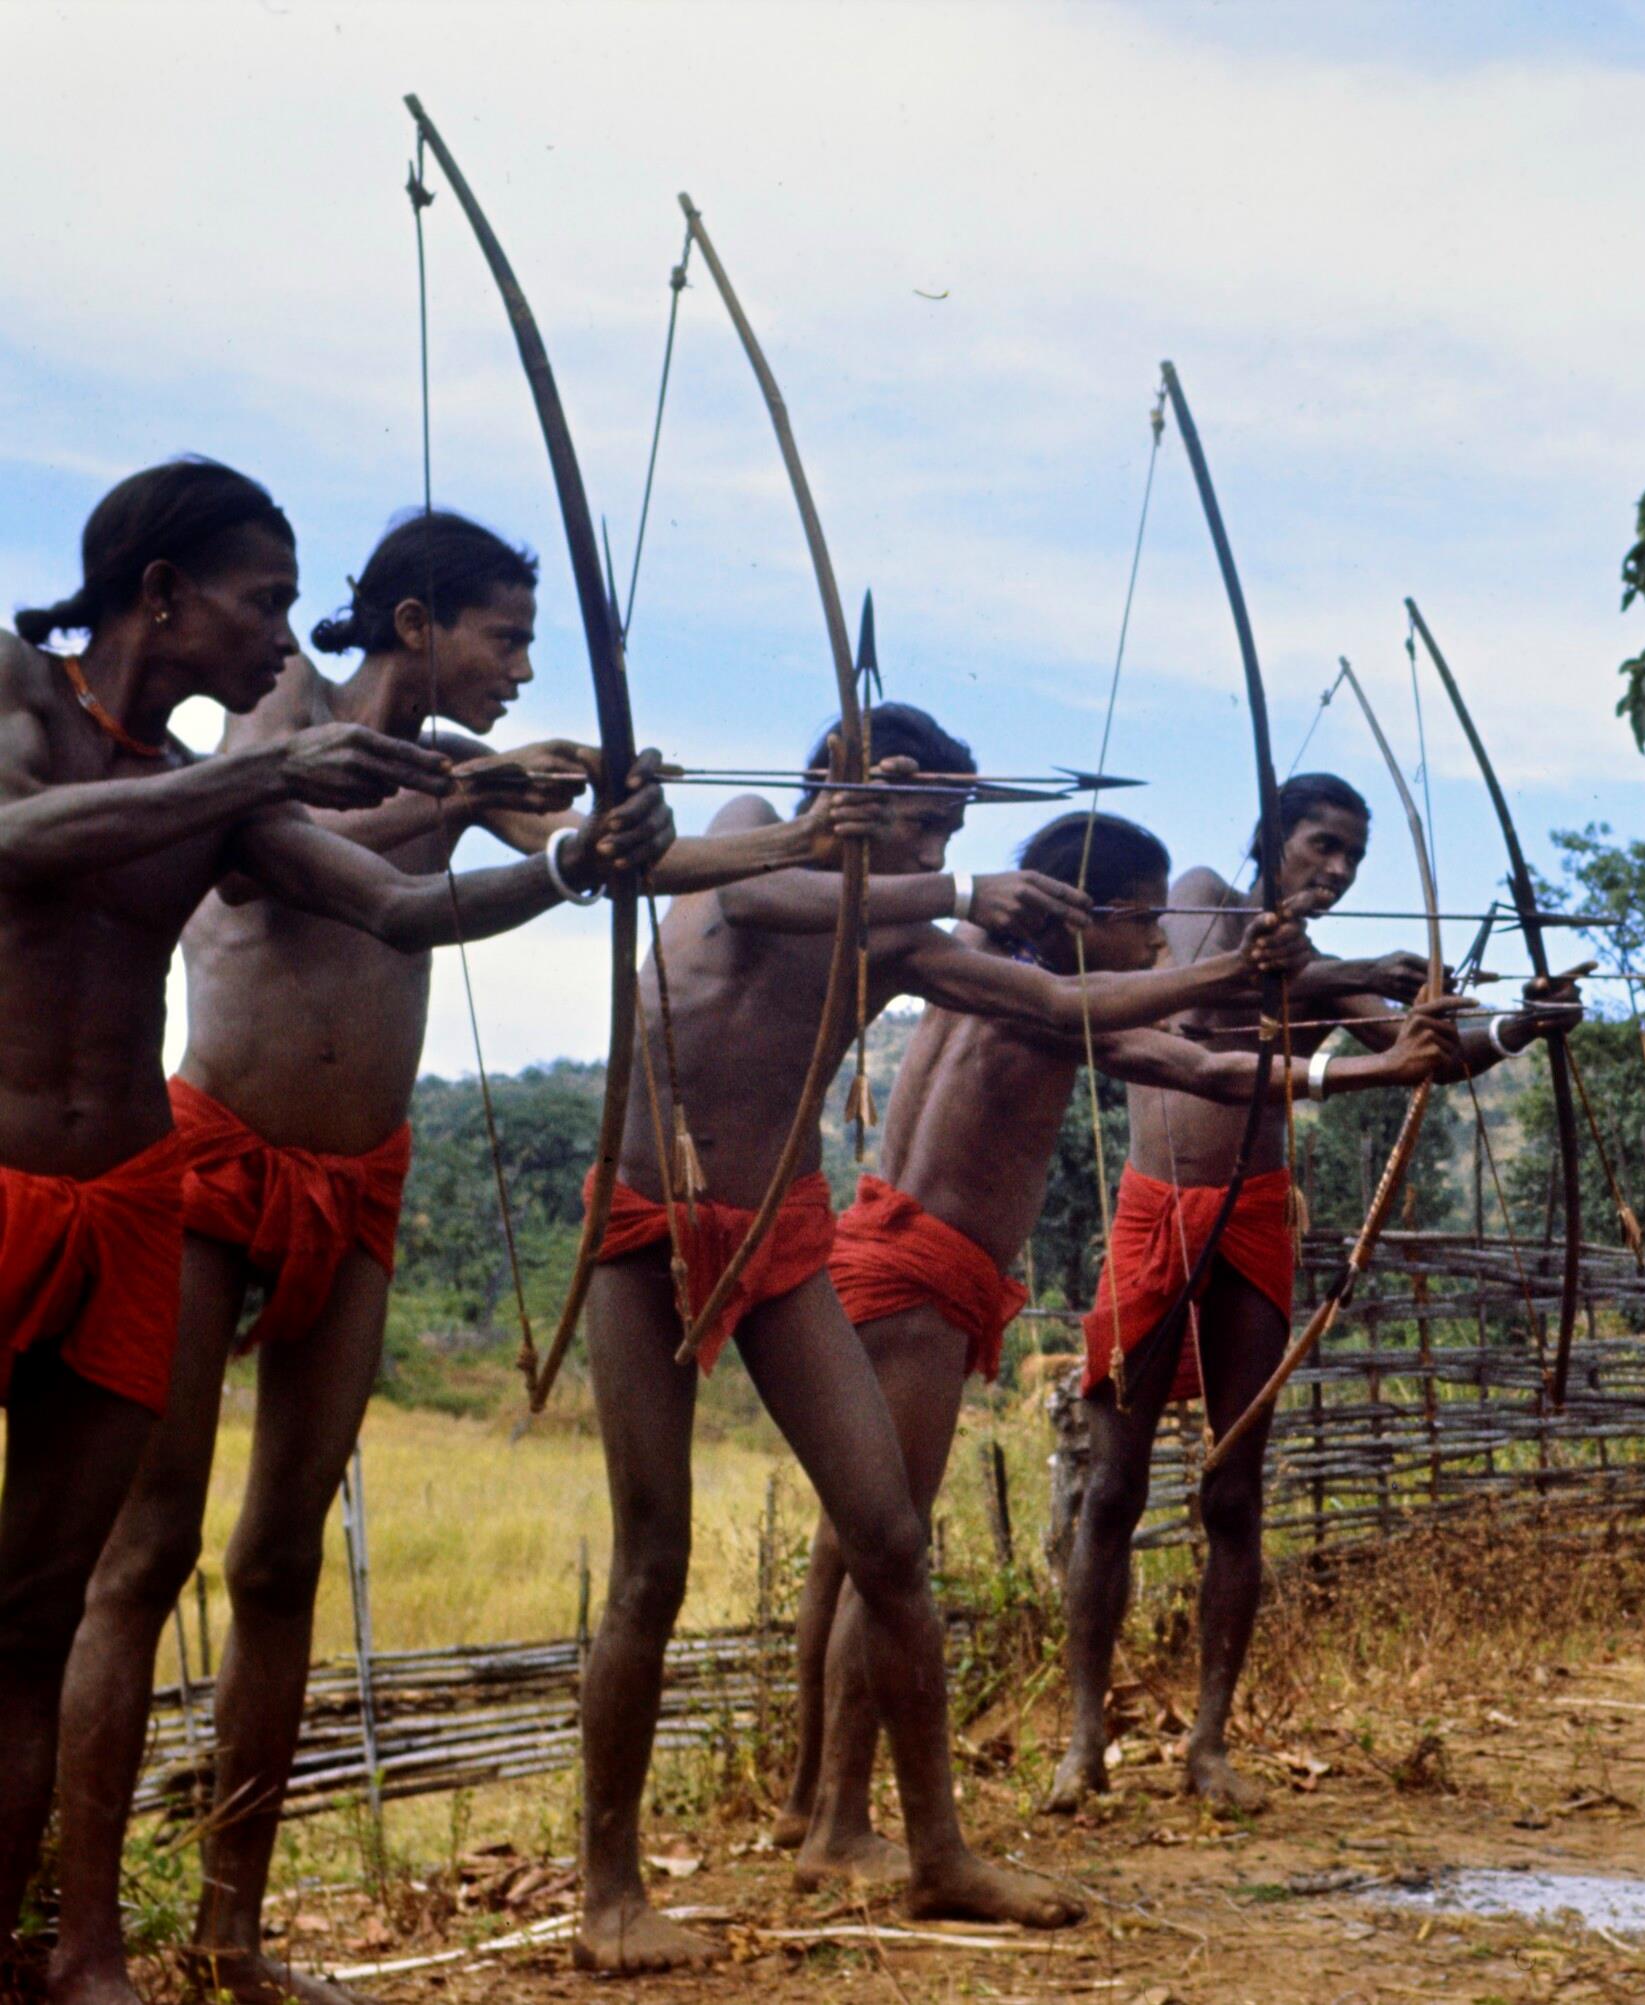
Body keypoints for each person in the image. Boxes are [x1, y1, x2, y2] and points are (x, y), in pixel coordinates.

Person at [45, 508, 861, 2005]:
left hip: (361, 1181)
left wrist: (719, 842)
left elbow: (592, 865)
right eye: (506, 637)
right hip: (216, 1158)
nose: (523, 668)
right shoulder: (282, 718)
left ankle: (230, 1936)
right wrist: (469, 788)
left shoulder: (450, 768)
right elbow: (269, 866)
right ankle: (84, 1943)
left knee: (282, 1556)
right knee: (143, 1552)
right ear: (417, 625)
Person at [571, 707, 1314, 1973]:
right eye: (929, 823)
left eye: (955, 836)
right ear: (862, 785)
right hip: (646, 1223)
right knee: (653, 1562)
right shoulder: (751, 834)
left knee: (890, 1539)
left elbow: (1057, 996)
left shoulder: (898, 933)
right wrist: (947, 881)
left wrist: (1221, 976)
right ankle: (610, 1897)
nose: (941, 854)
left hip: (779, 1227)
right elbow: (750, 895)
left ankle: (935, 1854)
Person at [743, 809, 1467, 1883]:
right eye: (1145, 926)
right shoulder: (1041, 1002)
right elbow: (1205, 1066)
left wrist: (1383, 1032)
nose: (1161, 946)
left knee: (846, 1545)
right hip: (919, 1277)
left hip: (883, 1250)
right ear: (1090, 915)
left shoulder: (971, 959)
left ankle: (809, 1797)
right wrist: (1360, 1066)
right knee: (885, 1554)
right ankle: (842, 1825)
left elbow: (1177, 1037)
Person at [1049, 773, 1578, 1817]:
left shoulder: (1320, 977)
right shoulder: (1202, 897)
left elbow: (1430, 1055)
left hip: (1254, 1217)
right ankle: (1081, 1742)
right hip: (1154, 1213)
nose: (1337, 869)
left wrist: (1523, 1025)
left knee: (1233, 1493)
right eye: (1321, 845)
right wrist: (1355, 967)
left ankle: (1208, 1746)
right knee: (1113, 1487)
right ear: (1272, 836)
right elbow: (1206, 986)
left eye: (1353, 858)